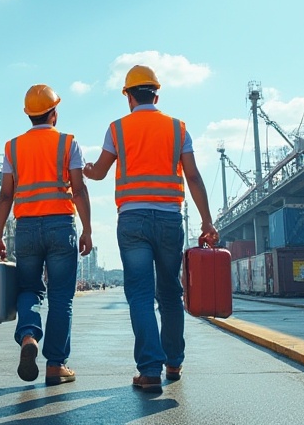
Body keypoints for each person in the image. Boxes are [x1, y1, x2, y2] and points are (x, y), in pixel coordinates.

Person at [83, 64, 218, 394]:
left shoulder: (117, 129)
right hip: (170, 220)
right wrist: (206, 221)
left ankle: (148, 370)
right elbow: (194, 177)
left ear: (128, 97)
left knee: (140, 295)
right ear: (156, 94)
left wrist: (86, 170)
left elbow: (100, 172)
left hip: (132, 222)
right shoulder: (178, 128)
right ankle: (174, 361)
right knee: (170, 292)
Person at [0, 84, 93, 386]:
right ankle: (56, 365)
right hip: (61, 227)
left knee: (29, 290)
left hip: (25, 229)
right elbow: (79, 189)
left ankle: (27, 337)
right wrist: (87, 229)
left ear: (29, 115)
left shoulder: (12, 147)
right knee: (61, 297)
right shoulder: (68, 143)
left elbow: (5, 195)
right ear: (54, 113)